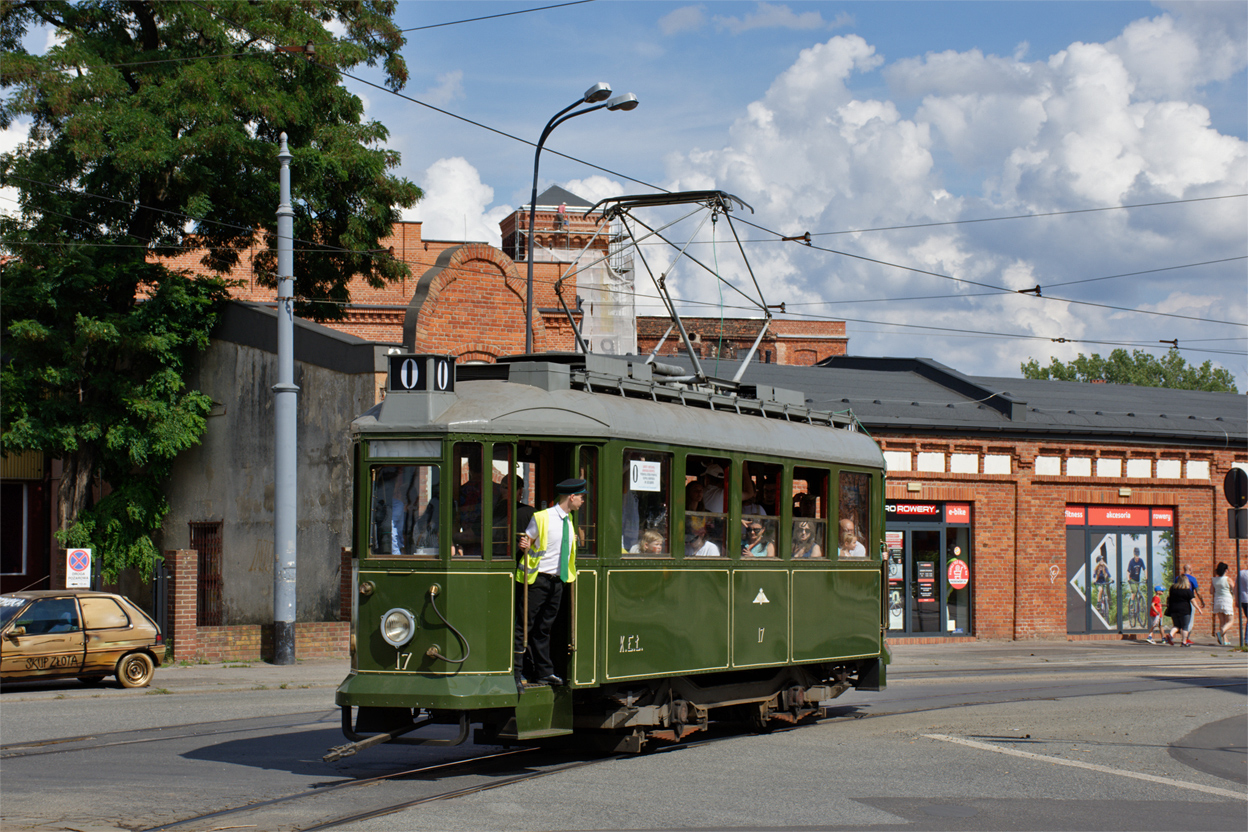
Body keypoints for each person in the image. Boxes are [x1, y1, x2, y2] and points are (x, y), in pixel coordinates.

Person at [514, 478, 584, 688]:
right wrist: (524, 542)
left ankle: (544, 672)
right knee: (524, 626)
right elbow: (527, 540)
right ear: (571, 497)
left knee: (544, 627)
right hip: (538, 579)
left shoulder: (569, 520)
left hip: (558, 581)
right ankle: (516, 673)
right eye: (581, 497)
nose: (582, 501)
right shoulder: (542, 517)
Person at [1164, 574, 1200, 647]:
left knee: (1176, 625)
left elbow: (1169, 598)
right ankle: (1184, 642)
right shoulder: (1187, 590)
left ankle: (1170, 635)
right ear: (1186, 581)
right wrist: (1198, 608)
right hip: (1185, 610)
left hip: (1174, 610)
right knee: (1185, 627)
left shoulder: (1172, 589)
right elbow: (1193, 600)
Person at [1210, 562, 1235, 646]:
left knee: (1222, 621)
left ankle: (1225, 640)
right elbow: (1234, 589)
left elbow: (1211, 591)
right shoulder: (1228, 579)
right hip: (1227, 600)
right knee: (1231, 620)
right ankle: (1221, 632)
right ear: (1226, 570)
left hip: (1217, 600)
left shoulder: (1214, 579)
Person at [1182, 564, 1206, 645]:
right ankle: (1186, 638)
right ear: (1190, 569)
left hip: (1179, 601)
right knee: (1190, 620)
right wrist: (1202, 601)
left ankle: (1172, 634)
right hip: (1189, 600)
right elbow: (1198, 591)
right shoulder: (1192, 578)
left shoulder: (1178, 578)